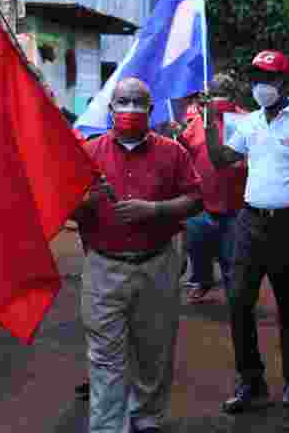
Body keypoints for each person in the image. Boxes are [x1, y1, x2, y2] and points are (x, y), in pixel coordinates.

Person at [205, 49, 289, 412]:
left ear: (284, 81)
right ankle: (251, 381)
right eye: (257, 79)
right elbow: (220, 161)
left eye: (269, 79)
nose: (262, 86)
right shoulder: (248, 123)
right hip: (250, 223)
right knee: (238, 302)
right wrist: (207, 122)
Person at [72, 77, 203, 433]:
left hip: (157, 265)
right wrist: (88, 200)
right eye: (123, 102)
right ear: (110, 108)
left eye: (138, 102)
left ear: (151, 109)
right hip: (103, 269)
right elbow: (65, 209)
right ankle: (107, 427)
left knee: (153, 354)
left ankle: (146, 418)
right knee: (104, 360)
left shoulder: (172, 152)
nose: (130, 109)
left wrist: (156, 210)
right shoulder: (88, 153)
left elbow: (195, 199)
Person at [178, 75, 249, 304]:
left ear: (234, 96)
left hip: (235, 203)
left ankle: (236, 299)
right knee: (197, 250)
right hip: (202, 203)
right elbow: (185, 151)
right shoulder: (198, 122)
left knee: (232, 256)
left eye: (225, 94)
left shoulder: (245, 121)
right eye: (216, 94)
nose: (220, 100)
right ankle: (203, 280)